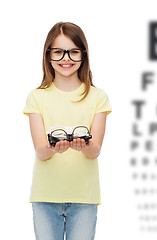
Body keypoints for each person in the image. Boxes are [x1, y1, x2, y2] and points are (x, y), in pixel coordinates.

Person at [23, 21, 112, 240]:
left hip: (84, 198)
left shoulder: (97, 97)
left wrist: (85, 146)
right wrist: (55, 149)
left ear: (83, 55)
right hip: (45, 196)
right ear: (48, 55)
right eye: (59, 52)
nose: (66, 59)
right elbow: (41, 151)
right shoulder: (37, 97)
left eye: (73, 52)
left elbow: (95, 150)